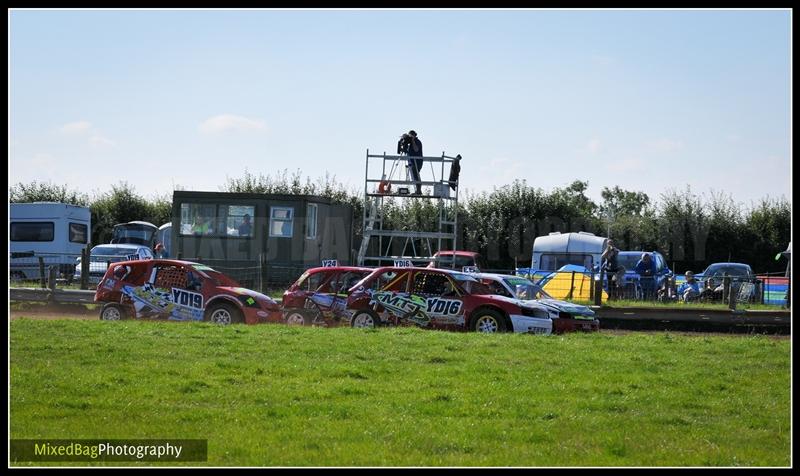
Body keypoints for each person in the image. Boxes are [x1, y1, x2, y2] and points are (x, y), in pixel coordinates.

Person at [405, 130, 423, 194]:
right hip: (412, 161)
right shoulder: (409, 143)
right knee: (415, 176)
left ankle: (418, 191)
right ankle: (418, 190)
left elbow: (416, 149)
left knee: (416, 175)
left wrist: (412, 141)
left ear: (414, 136)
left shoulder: (417, 142)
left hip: (417, 161)